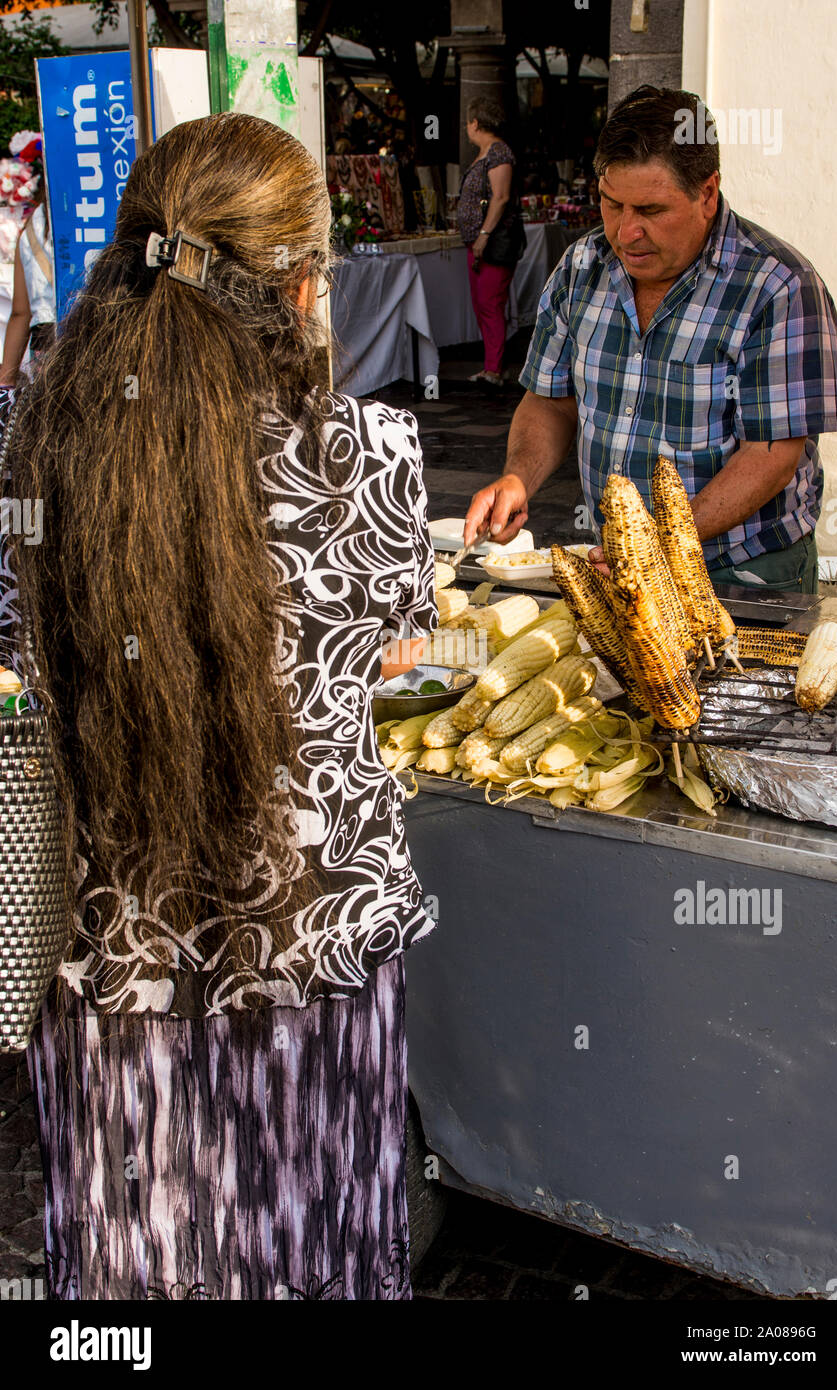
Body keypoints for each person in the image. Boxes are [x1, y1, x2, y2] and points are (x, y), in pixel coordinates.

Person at [0, 112, 438, 1300]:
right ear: (303, 284)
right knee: (315, 1244)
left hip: (117, 958)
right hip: (311, 943)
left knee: (141, 1254)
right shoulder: (376, 457)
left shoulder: (42, 452)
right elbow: (393, 652)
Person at [465, 87, 837, 594]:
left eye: (650, 209)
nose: (626, 232)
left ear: (707, 194)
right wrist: (518, 477)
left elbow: (770, 457)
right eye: (611, 203)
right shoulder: (582, 266)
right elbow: (551, 403)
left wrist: (657, 542)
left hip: (741, 570)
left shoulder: (778, 287)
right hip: (618, 563)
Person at [456, 97, 521, 388]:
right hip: (479, 243)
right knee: (482, 304)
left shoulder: (499, 152)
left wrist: (483, 234)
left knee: (490, 303)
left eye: (468, 121)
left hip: (493, 244)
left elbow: (501, 196)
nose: (467, 127)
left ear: (476, 123)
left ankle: (494, 368)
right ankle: (490, 365)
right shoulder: (486, 153)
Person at [0, 159, 55, 384]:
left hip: (46, 345)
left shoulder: (33, 225)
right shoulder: (98, 213)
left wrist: (5, 383)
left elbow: (20, 313)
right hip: (97, 339)